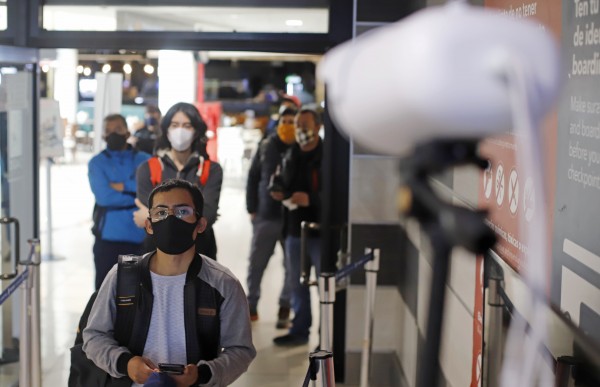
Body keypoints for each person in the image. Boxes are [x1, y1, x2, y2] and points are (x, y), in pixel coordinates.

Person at [83, 179, 256, 386]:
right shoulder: (122, 276)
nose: (171, 219)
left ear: (200, 224)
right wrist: (126, 364)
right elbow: (94, 336)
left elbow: (241, 350)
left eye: (183, 212)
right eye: (161, 213)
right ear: (149, 225)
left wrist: (202, 374)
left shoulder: (223, 284)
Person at [134, 102, 223, 259]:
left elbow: (207, 215)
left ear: (196, 131)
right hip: (156, 256)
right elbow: (150, 213)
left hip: (199, 254)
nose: (180, 130)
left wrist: (159, 216)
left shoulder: (211, 169)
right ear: (166, 130)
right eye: (174, 125)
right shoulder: (148, 168)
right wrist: (189, 213)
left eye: (187, 125)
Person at [271, 107, 323, 346]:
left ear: (318, 127)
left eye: (305, 124)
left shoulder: (328, 156)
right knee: (297, 283)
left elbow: (340, 194)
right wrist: (278, 190)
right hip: (294, 230)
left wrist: (312, 199)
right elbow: (280, 179)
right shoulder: (291, 154)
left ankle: (329, 332)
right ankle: (300, 329)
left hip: (321, 230)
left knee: (326, 283)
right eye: (298, 124)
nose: (300, 129)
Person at [245, 107, 297, 328]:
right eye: (284, 121)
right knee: (257, 263)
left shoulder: (300, 148)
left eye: (291, 121)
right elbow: (253, 176)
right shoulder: (267, 145)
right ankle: (251, 305)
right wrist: (252, 207)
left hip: (292, 217)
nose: (287, 125)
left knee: (292, 266)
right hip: (266, 214)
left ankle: (285, 307)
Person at [88, 114, 151, 290]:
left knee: (139, 296)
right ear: (102, 135)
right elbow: (104, 197)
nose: (113, 134)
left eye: (118, 129)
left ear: (127, 132)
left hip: (140, 238)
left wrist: (122, 185)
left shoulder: (145, 160)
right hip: (107, 240)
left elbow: (149, 192)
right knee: (104, 293)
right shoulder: (97, 163)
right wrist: (134, 193)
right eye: (108, 131)